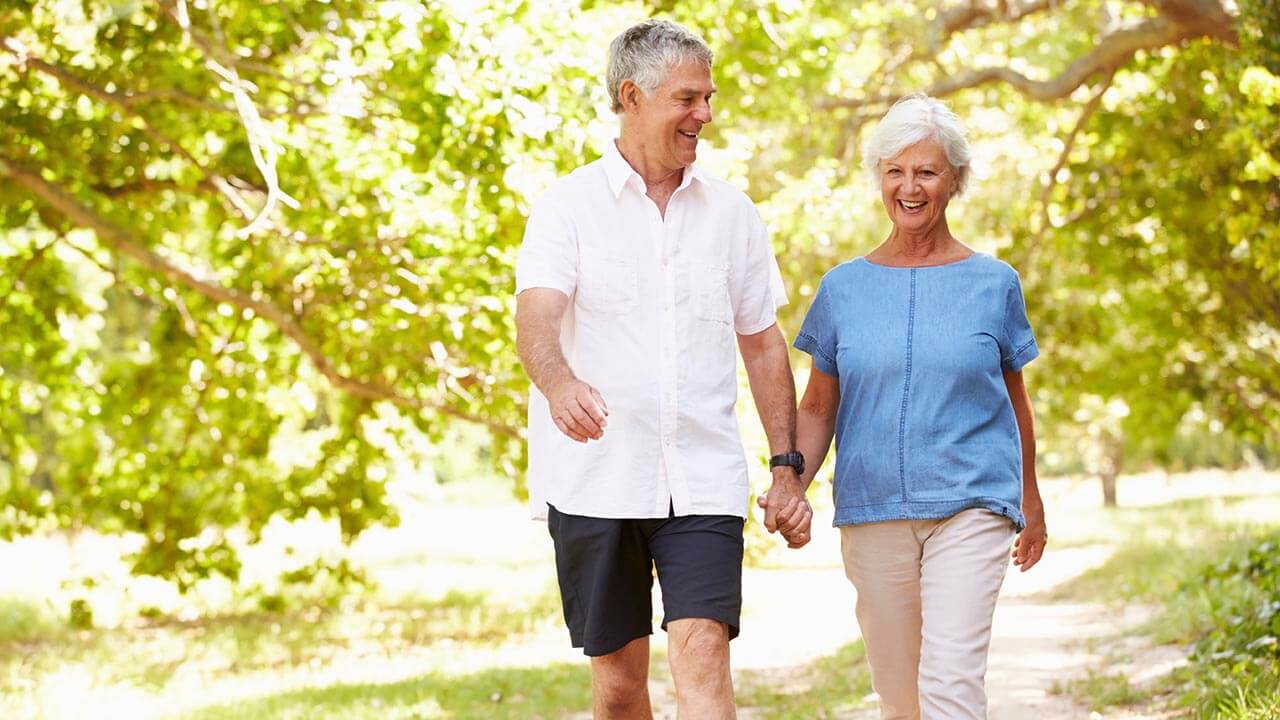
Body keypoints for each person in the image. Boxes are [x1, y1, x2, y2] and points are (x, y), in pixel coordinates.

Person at [514, 19, 810, 719]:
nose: (705, 114)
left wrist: (785, 466)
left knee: (703, 651)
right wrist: (559, 383)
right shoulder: (566, 209)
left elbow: (763, 343)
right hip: (594, 481)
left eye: (708, 97)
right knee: (619, 689)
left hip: (702, 478)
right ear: (632, 95)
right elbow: (536, 320)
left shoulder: (732, 213)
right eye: (689, 98)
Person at [776, 93, 1049, 719]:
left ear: (954, 179)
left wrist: (1029, 498)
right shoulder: (843, 288)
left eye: (925, 171)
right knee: (901, 697)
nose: (910, 186)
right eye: (894, 171)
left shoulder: (994, 283)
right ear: (879, 179)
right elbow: (818, 408)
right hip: (874, 510)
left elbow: (1015, 404)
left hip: (973, 505)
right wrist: (792, 481)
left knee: (950, 687)